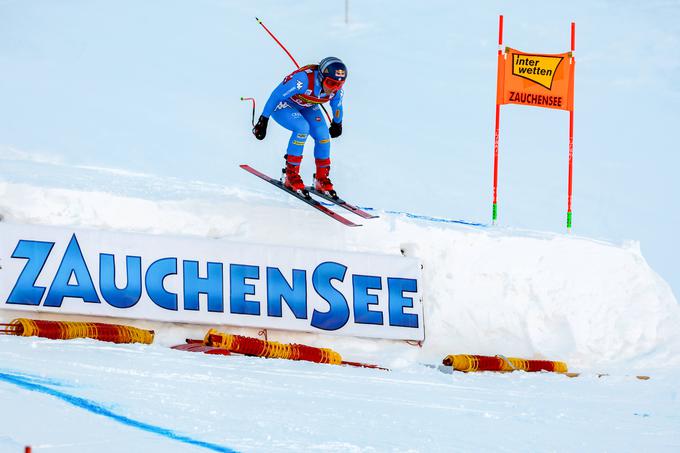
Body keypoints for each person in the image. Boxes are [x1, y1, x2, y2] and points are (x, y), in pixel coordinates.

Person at [252, 56, 346, 197]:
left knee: (323, 135)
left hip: (307, 105)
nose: (334, 88)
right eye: (330, 83)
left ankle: (321, 178)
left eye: (339, 84)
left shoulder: (336, 90)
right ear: (321, 77)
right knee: (302, 128)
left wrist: (337, 122)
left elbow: (337, 106)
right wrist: (263, 119)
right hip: (284, 105)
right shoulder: (302, 80)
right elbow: (276, 95)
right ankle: (291, 175)